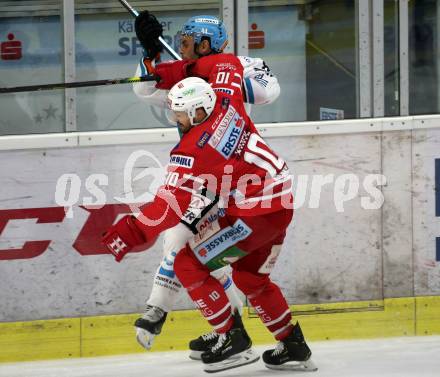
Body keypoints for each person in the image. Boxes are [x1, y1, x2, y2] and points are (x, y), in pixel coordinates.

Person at [102, 51, 316, 372]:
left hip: (253, 215)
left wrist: (127, 233)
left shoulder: (193, 150)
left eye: (180, 115)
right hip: (280, 205)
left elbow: (167, 207)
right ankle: (292, 344)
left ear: (198, 111)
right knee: (250, 277)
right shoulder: (227, 97)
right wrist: (175, 72)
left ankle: (231, 339)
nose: (176, 120)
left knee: (187, 262)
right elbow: (224, 63)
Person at [130, 11, 281, 356]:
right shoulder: (185, 75)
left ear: (205, 44)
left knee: (182, 243)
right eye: (178, 43)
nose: (181, 49)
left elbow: (270, 89)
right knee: (184, 244)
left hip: (233, 177)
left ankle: (162, 311)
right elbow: (144, 88)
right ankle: (228, 328)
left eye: (187, 44)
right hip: (203, 176)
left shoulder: (238, 64)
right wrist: (149, 51)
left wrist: (216, 77)